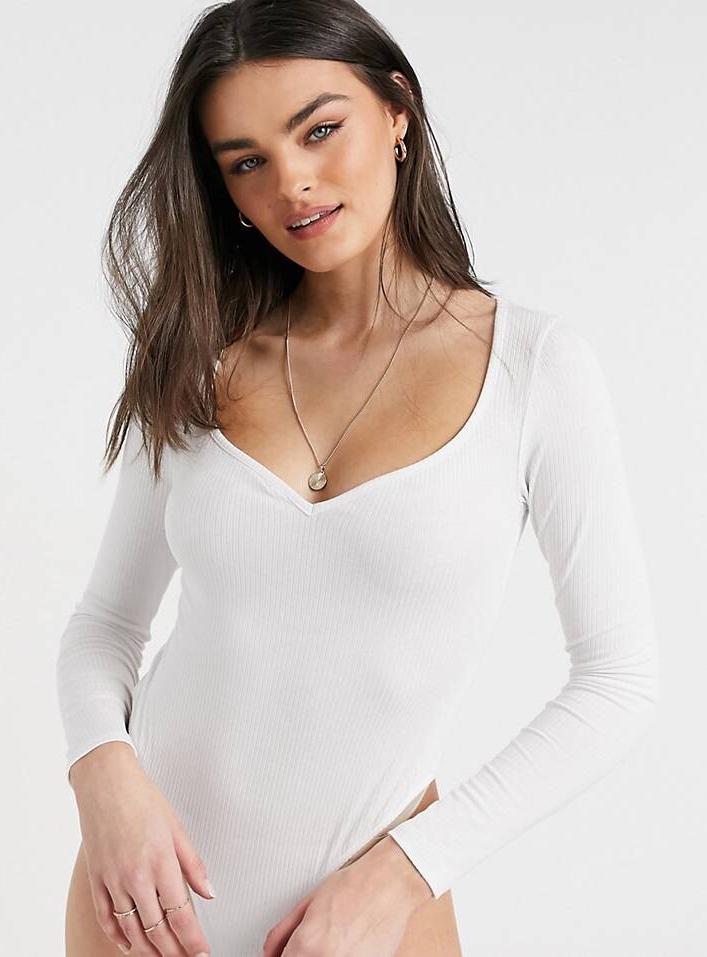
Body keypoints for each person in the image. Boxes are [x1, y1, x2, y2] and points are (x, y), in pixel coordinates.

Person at [57, 1, 660, 955]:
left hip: (373, 924)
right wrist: (104, 778)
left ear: (397, 110)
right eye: (246, 162)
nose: (291, 182)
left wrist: (408, 870)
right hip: (140, 909)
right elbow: (105, 624)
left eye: (319, 130)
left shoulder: (534, 369)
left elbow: (619, 681)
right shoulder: (199, 360)